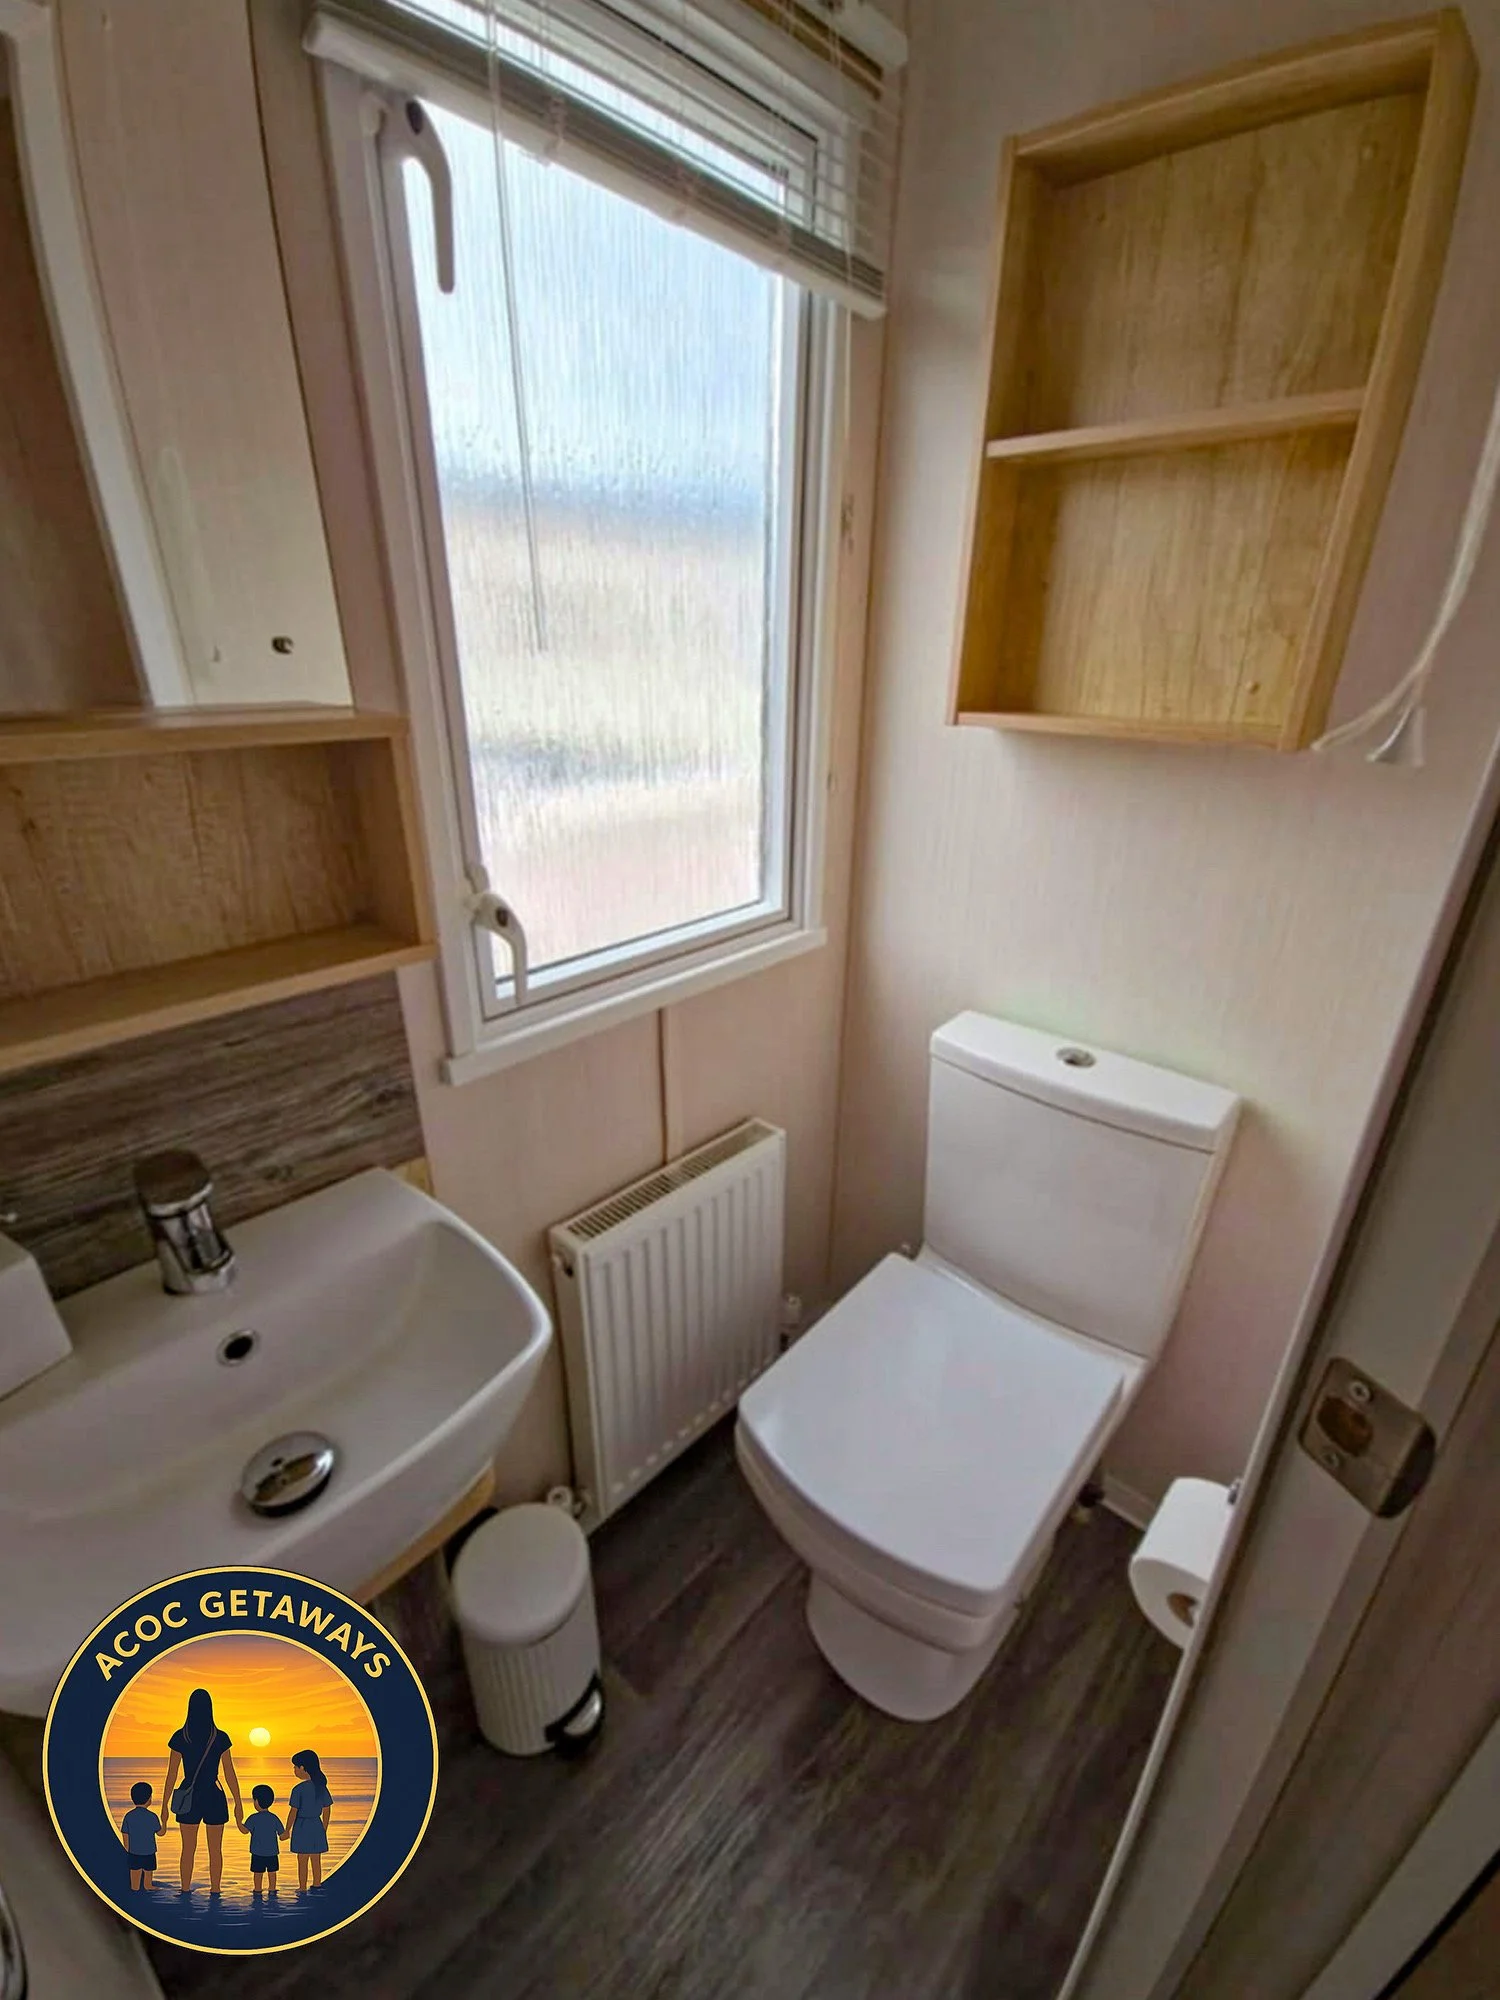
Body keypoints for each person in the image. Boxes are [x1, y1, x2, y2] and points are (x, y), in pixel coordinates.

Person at [160, 1688, 242, 1893]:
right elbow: (229, 1773)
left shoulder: (180, 1737)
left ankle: (185, 1890)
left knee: (188, 1849)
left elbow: (171, 1775)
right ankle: (215, 1890)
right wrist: (238, 1802)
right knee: (215, 1850)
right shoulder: (220, 1737)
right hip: (214, 1794)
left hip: (188, 1796)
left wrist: (164, 1805)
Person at [285, 1749, 332, 1891]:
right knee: (316, 1859)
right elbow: (327, 1809)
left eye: (295, 1767)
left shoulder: (298, 1789)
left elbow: (293, 1812)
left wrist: (287, 1830)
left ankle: (302, 1887)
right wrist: (324, 1828)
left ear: (302, 1768)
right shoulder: (321, 1787)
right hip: (316, 1825)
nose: (294, 1770)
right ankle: (317, 1884)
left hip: (302, 1826)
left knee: (302, 1859)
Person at [241, 1784, 284, 1898]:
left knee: (258, 1874)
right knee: (272, 1873)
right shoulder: (274, 1818)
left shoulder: (253, 1818)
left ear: (256, 1801)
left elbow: (244, 1830)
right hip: (272, 1853)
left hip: (257, 1853)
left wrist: (238, 1821)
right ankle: (272, 1890)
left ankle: (258, 1890)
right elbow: (282, 1834)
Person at [120, 1780, 160, 1892]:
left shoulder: (129, 1816)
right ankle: (148, 1886)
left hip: (134, 1852)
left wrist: (128, 1849)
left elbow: (125, 1833)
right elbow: (160, 1832)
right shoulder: (152, 1816)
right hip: (149, 1852)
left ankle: (135, 1888)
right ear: (149, 1799)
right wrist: (165, 1823)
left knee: (134, 1876)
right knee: (148, 1875)